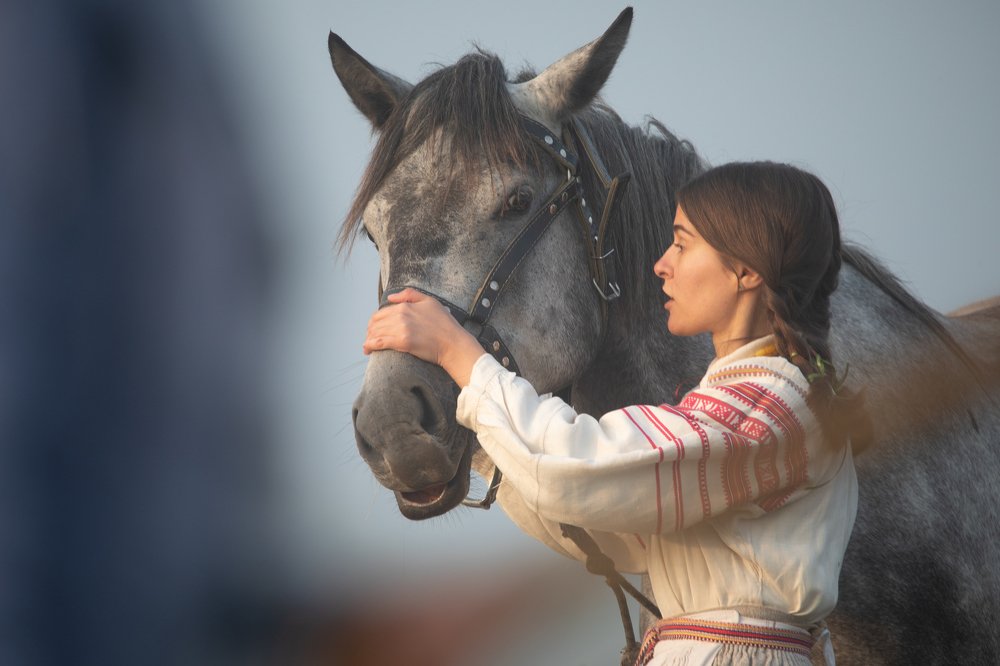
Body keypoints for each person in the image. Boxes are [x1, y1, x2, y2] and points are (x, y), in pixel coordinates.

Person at [362, 161, 865, 665]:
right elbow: (621, 528)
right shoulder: (762, 398)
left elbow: (587, 466)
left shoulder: (768, 403)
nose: (661, 265)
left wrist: (461, 356)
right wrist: (486, 441)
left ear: (747, 270)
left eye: (682, 245)